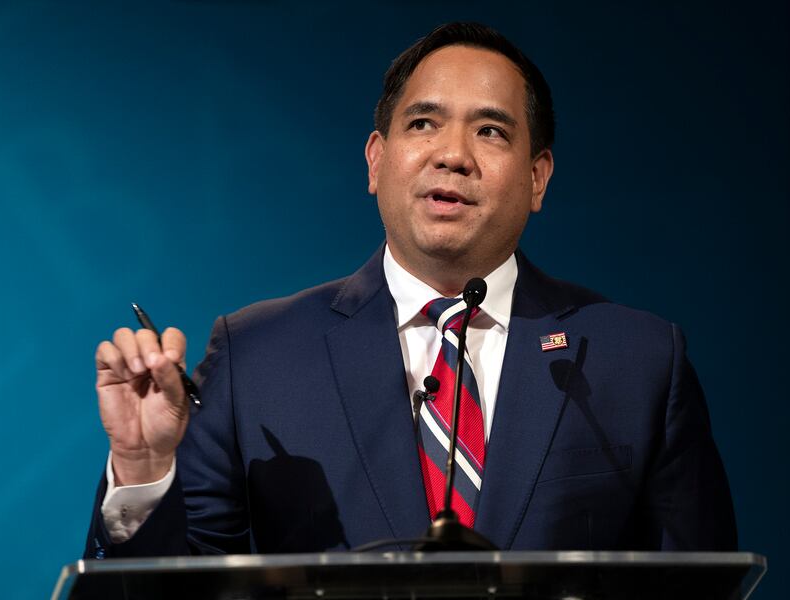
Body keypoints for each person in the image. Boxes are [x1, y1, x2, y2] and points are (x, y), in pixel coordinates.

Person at [85, 22, 736, 558]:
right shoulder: (256, 354)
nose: (452, 154)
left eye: (491, 131)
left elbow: (698, 583)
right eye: (423, 124)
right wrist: (142, 471)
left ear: (538, 178)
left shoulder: (639, 360)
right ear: (376, 160)